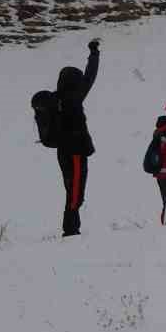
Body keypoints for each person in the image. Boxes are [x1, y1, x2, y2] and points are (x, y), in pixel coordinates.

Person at [54, 39, 100, 236]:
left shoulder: (57, 99)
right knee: (75, 191)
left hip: (63, 151)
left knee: (70, 188)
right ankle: (71, 230)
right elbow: (90, 77)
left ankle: (72, 227)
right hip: (75, 152)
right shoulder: (72, 98)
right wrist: (94, 54)